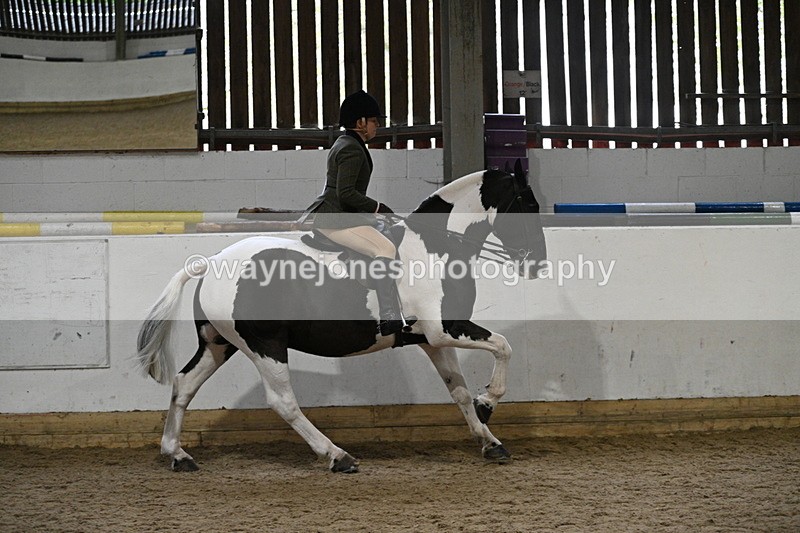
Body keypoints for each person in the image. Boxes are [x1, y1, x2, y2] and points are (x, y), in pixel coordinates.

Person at [304, 90, 411, 336]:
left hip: (341, 216)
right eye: (374, 121)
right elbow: (346, 194)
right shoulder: (351, 148)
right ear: (360, 122)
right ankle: (389, 316)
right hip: (336, 219)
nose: (378, 126)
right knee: (385, 249)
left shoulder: (348, 143)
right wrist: (378, 207)